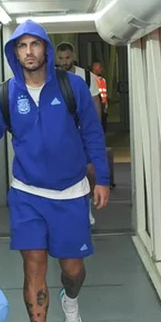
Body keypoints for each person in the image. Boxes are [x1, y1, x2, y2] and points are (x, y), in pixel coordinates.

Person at [0, 21, 110, 322]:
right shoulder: (4, 95)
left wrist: (103, 179)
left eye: (35, 44)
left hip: (70, 193)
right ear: (14, 52)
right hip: (27, 194)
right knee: (32, 267)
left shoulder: (72, 87)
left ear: (46, 49)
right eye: (22, 46)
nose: (29, 51)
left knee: (72, 271)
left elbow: (93, 133)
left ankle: (71, 299)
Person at [54, 42, 101, 223]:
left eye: (67, 58)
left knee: (89, 170)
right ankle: (65, 209)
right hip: (62, 134)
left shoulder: (87, 78)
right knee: (64, 171)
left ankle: (87, 208)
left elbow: (95, 104)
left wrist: (95, 131)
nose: (64, 62)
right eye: (61, 58)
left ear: (73, 56)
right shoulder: (52, 78)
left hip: (83, 132)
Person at [89, 60, 109, 133]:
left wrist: (106, 106)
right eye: (100, 67)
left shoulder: (102, 80)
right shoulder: (91, 79)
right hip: (95, 107)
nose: (101, 69)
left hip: (103, 107)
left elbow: (104, 93)